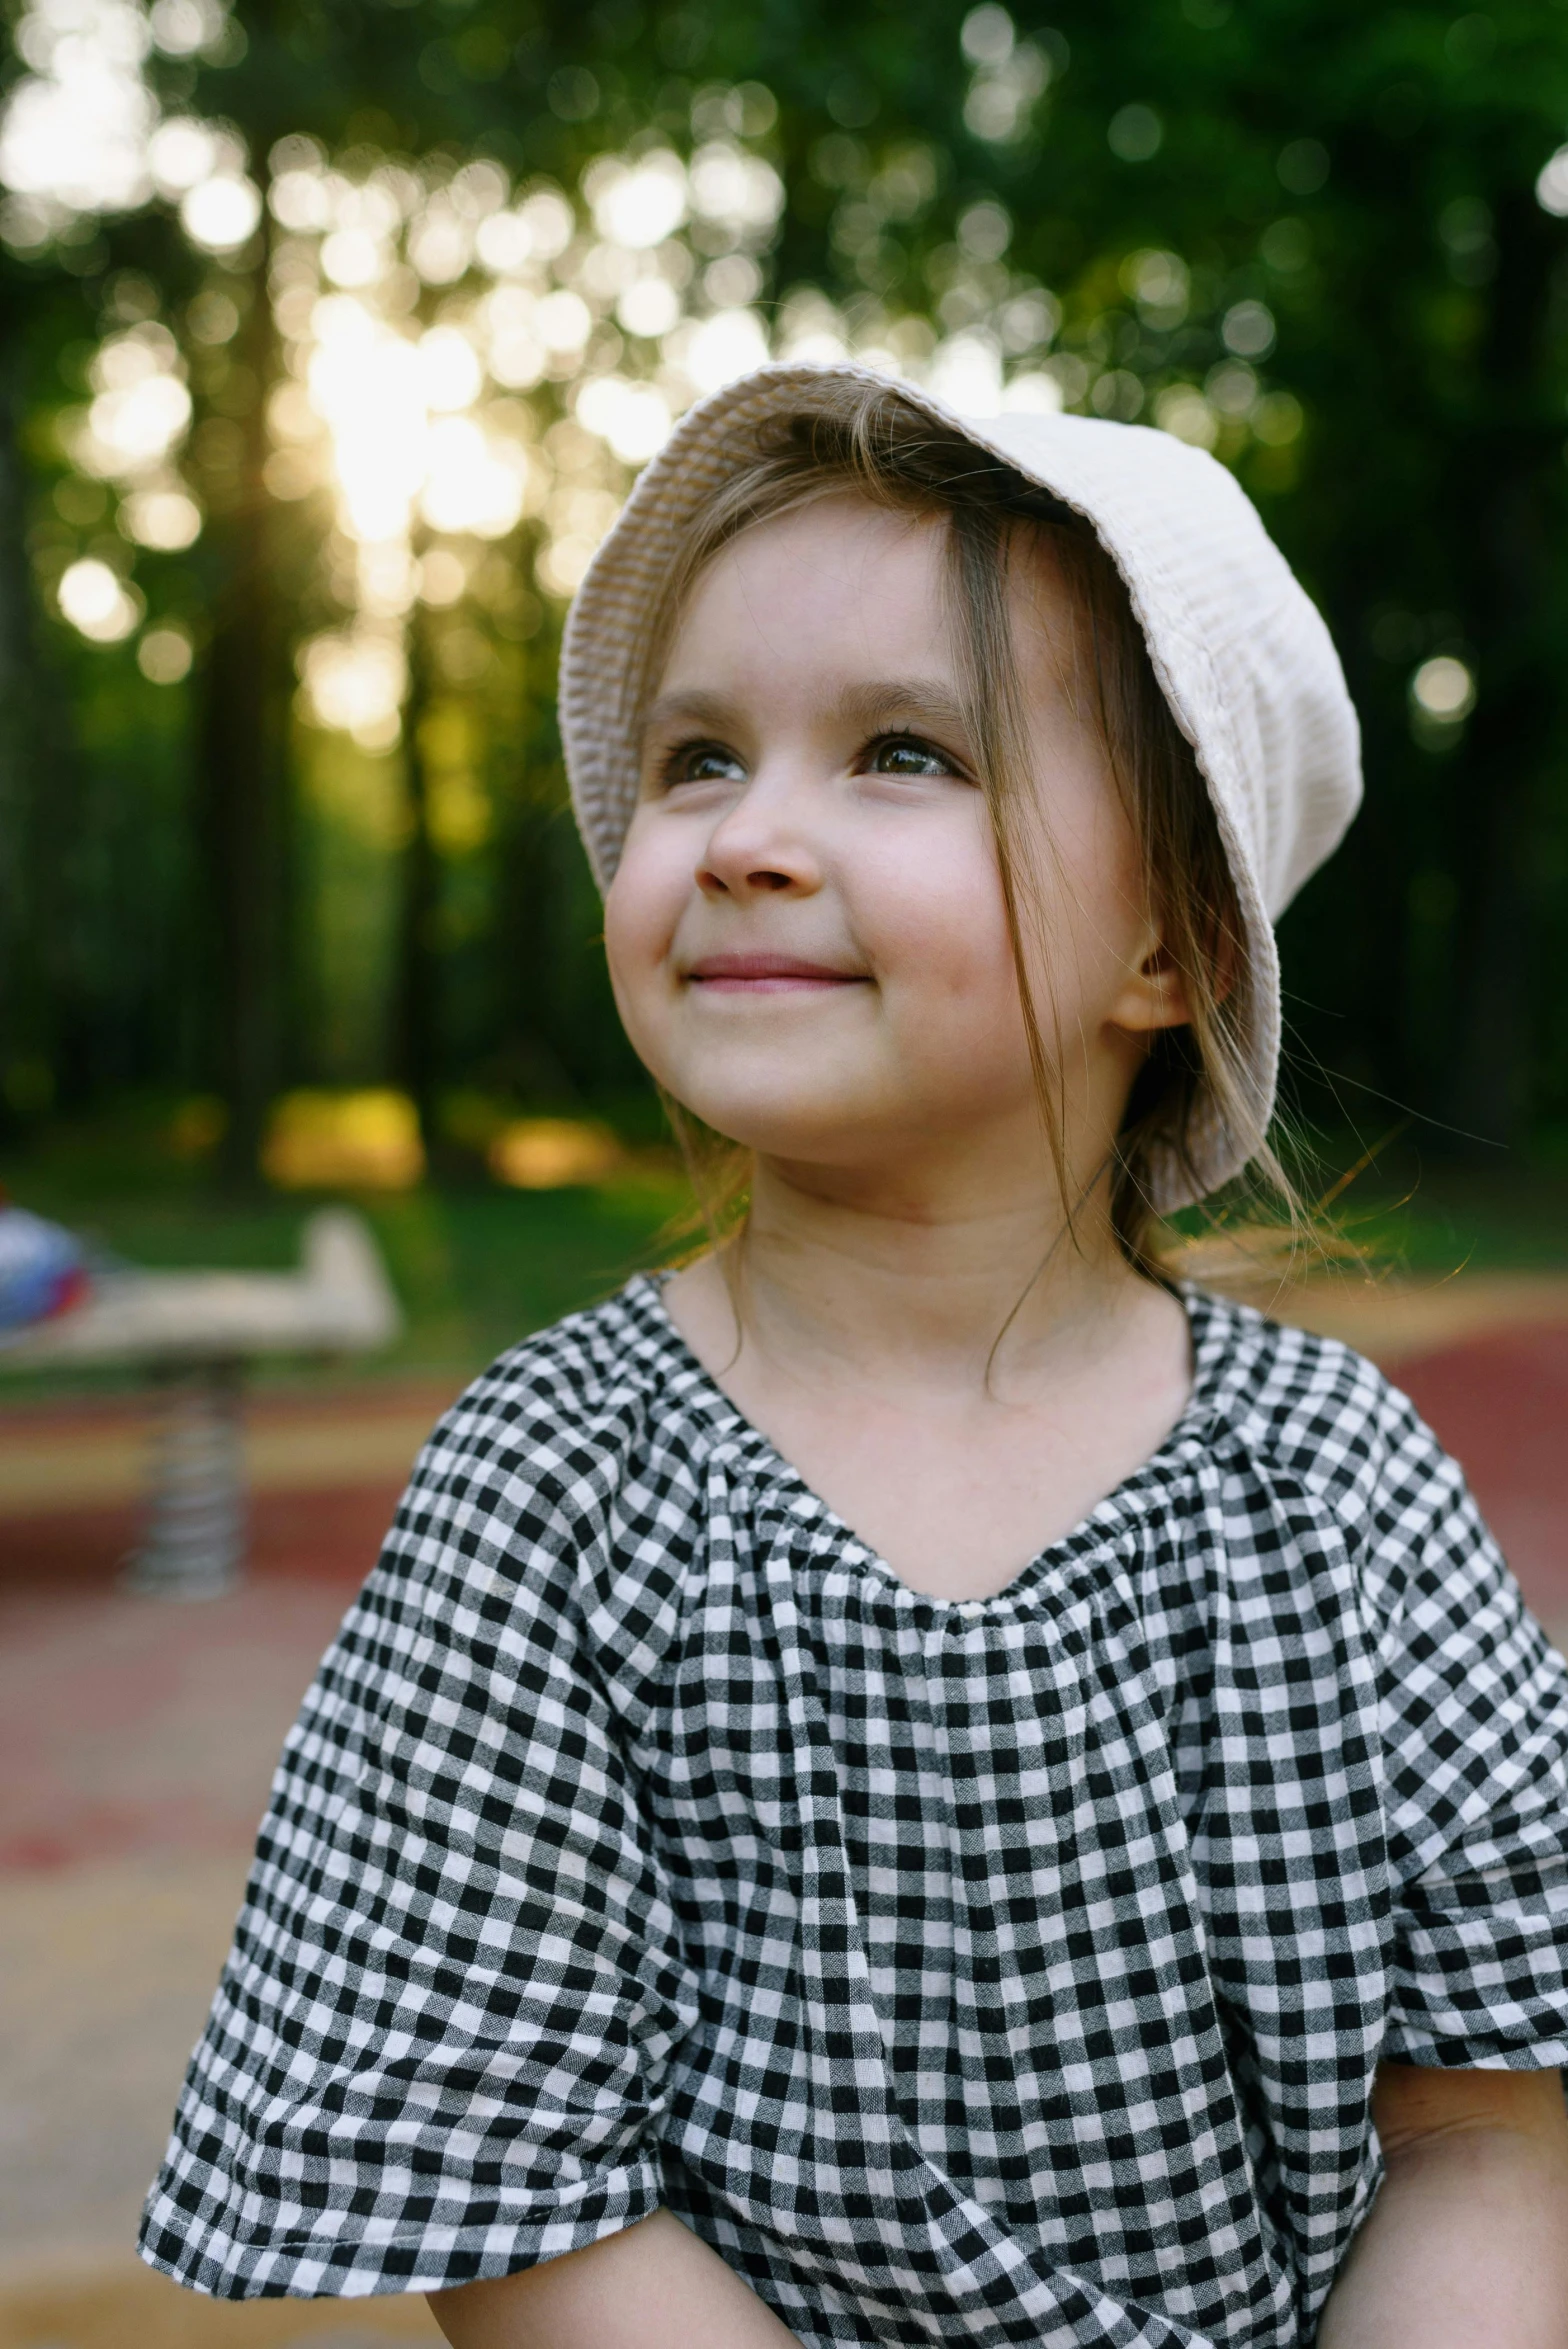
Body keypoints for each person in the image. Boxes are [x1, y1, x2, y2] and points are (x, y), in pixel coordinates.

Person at [139, 367, 1568, 2349]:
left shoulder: (1331, 1482)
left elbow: (1484, 2136)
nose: (742, 836)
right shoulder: (554, 1488)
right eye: (698, 758)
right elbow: (523, 2197)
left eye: (900, 753)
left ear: (1172, 945)